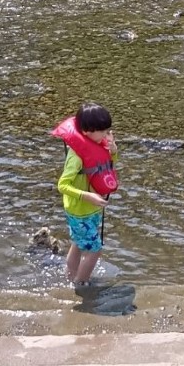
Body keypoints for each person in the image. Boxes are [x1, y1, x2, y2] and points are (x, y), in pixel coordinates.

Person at [53, 103, 118, 287]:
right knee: (95, 250)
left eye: (108, 131)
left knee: (78, 243)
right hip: (80, 209)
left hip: (90, 209)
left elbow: (108, 165)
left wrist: (113, 151)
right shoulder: (76, 156)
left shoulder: (98, 145)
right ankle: (81, 284)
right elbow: (62, 185)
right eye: (103, 132)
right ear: (87, 131)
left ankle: (70, 278)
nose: (107, 135)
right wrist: (87, 196)